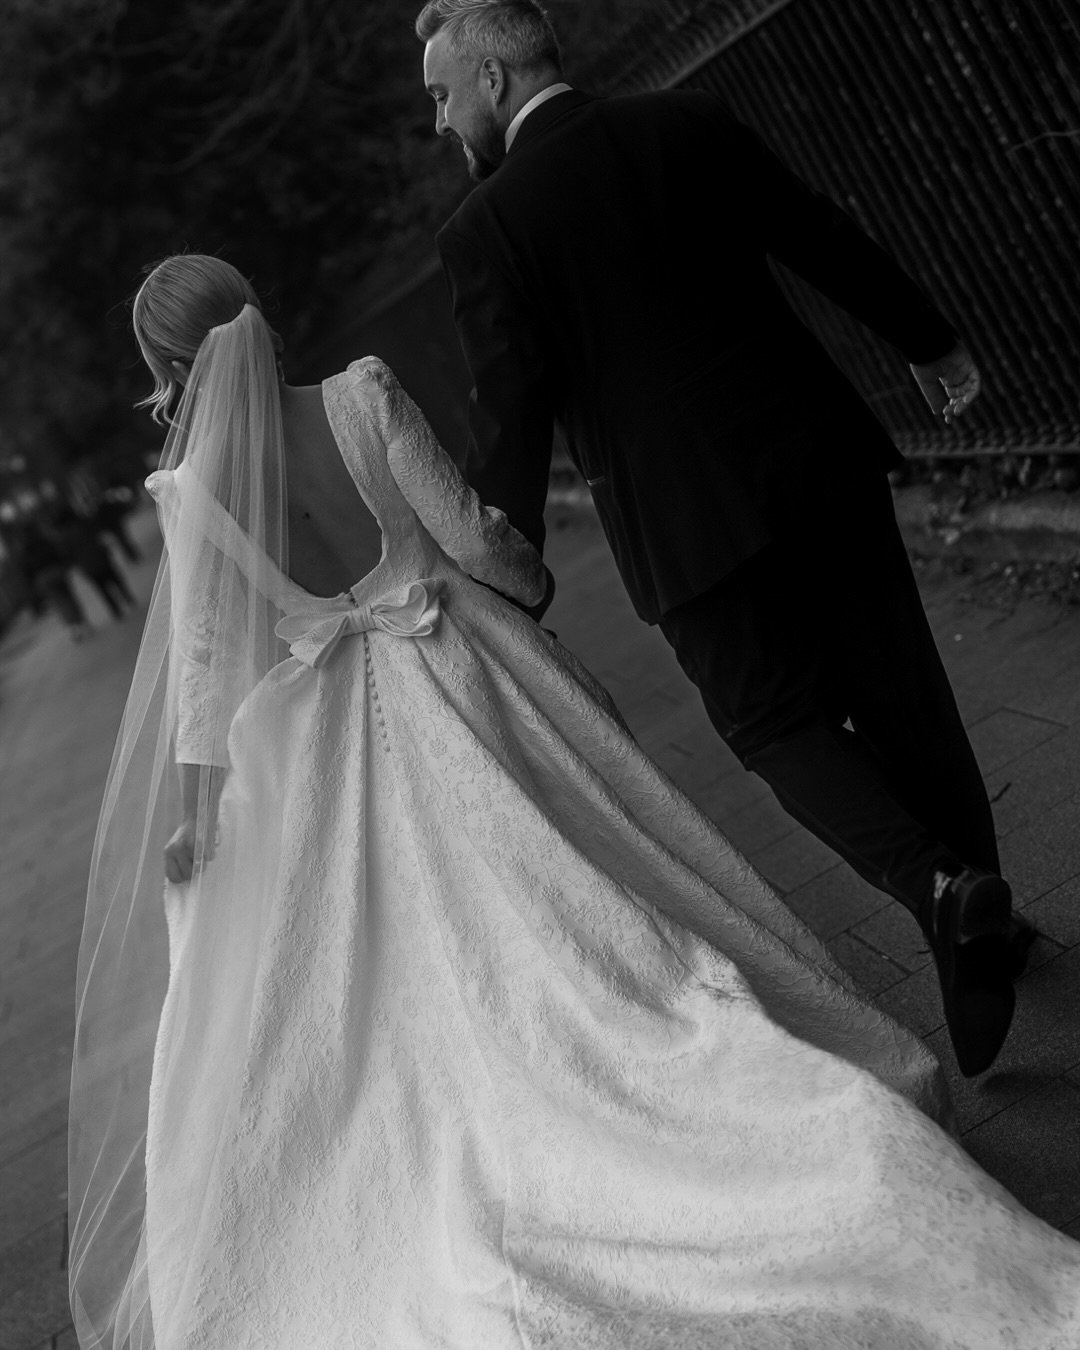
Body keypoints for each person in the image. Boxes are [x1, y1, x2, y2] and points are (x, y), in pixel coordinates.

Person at [68, 253, 1080, 1348]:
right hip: (471, 677)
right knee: (590, 882)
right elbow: (473, 540)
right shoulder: (361, 396)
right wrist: (530, 589)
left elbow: (210, 668)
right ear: (254, 312)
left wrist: (200, 814)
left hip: (321, 747)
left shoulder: (191, 498)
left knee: (400, 978)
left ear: (173, 371)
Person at [416, 0, 1034, 1080]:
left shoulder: (486, 229)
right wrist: (931, 340)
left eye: (440, 94)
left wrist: (498, 566)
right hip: (816, 460)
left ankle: (944, 894)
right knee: (905, 693)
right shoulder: (682, 121)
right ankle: (985, 925)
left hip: (682, 527)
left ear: (496, 80)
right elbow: (818, 234)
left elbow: (510, 411)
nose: (436, 121)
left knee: (774, 723)